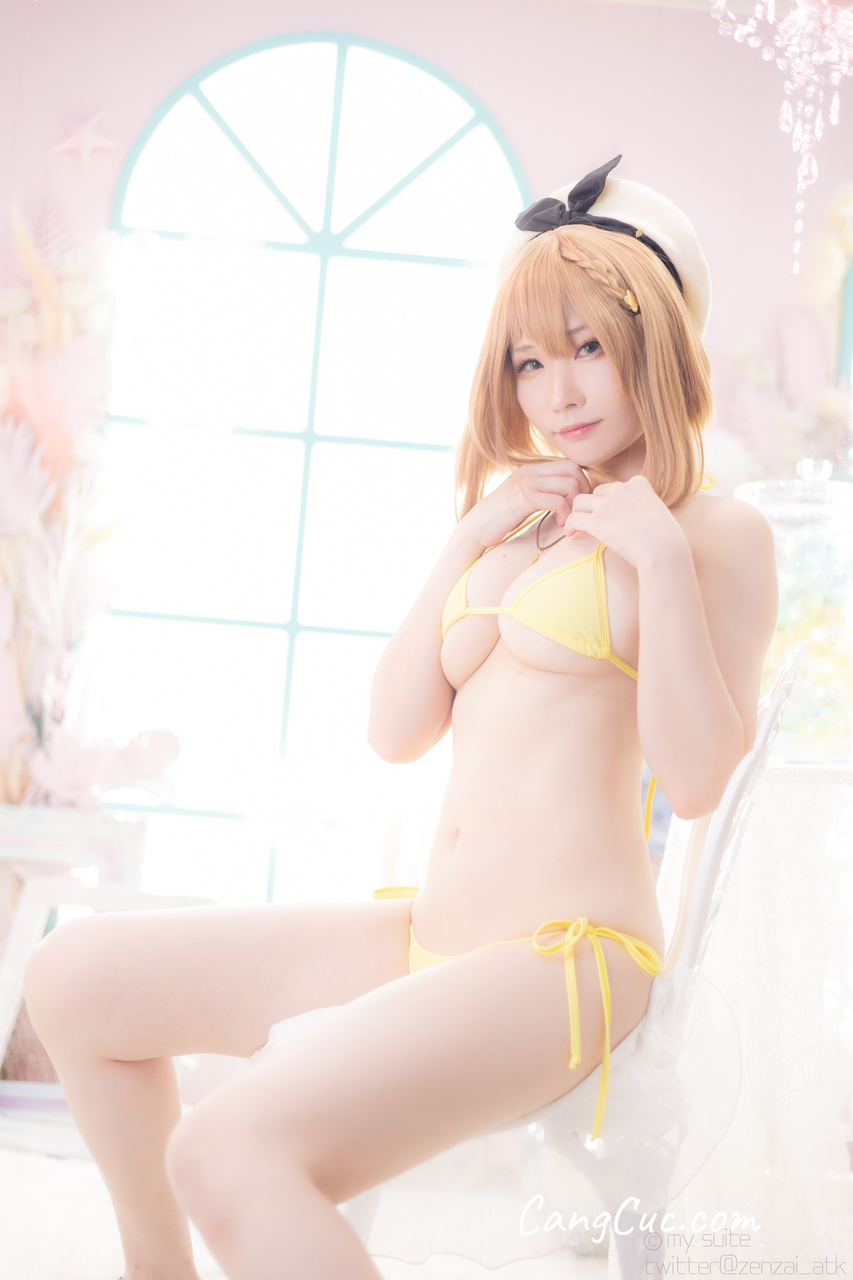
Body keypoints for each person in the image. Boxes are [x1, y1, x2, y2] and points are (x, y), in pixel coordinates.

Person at [22, 156, 778, 1280]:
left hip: (568, 958)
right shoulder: (516, 516)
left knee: (225, 1151)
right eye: (530, 360)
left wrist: (659, 563)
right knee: (72, 977)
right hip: (432, 930)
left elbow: (701, 775)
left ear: (653, 342)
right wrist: (466, 540)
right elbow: (396, 729)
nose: (557, 393)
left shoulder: (712, 533)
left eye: (587, 348)